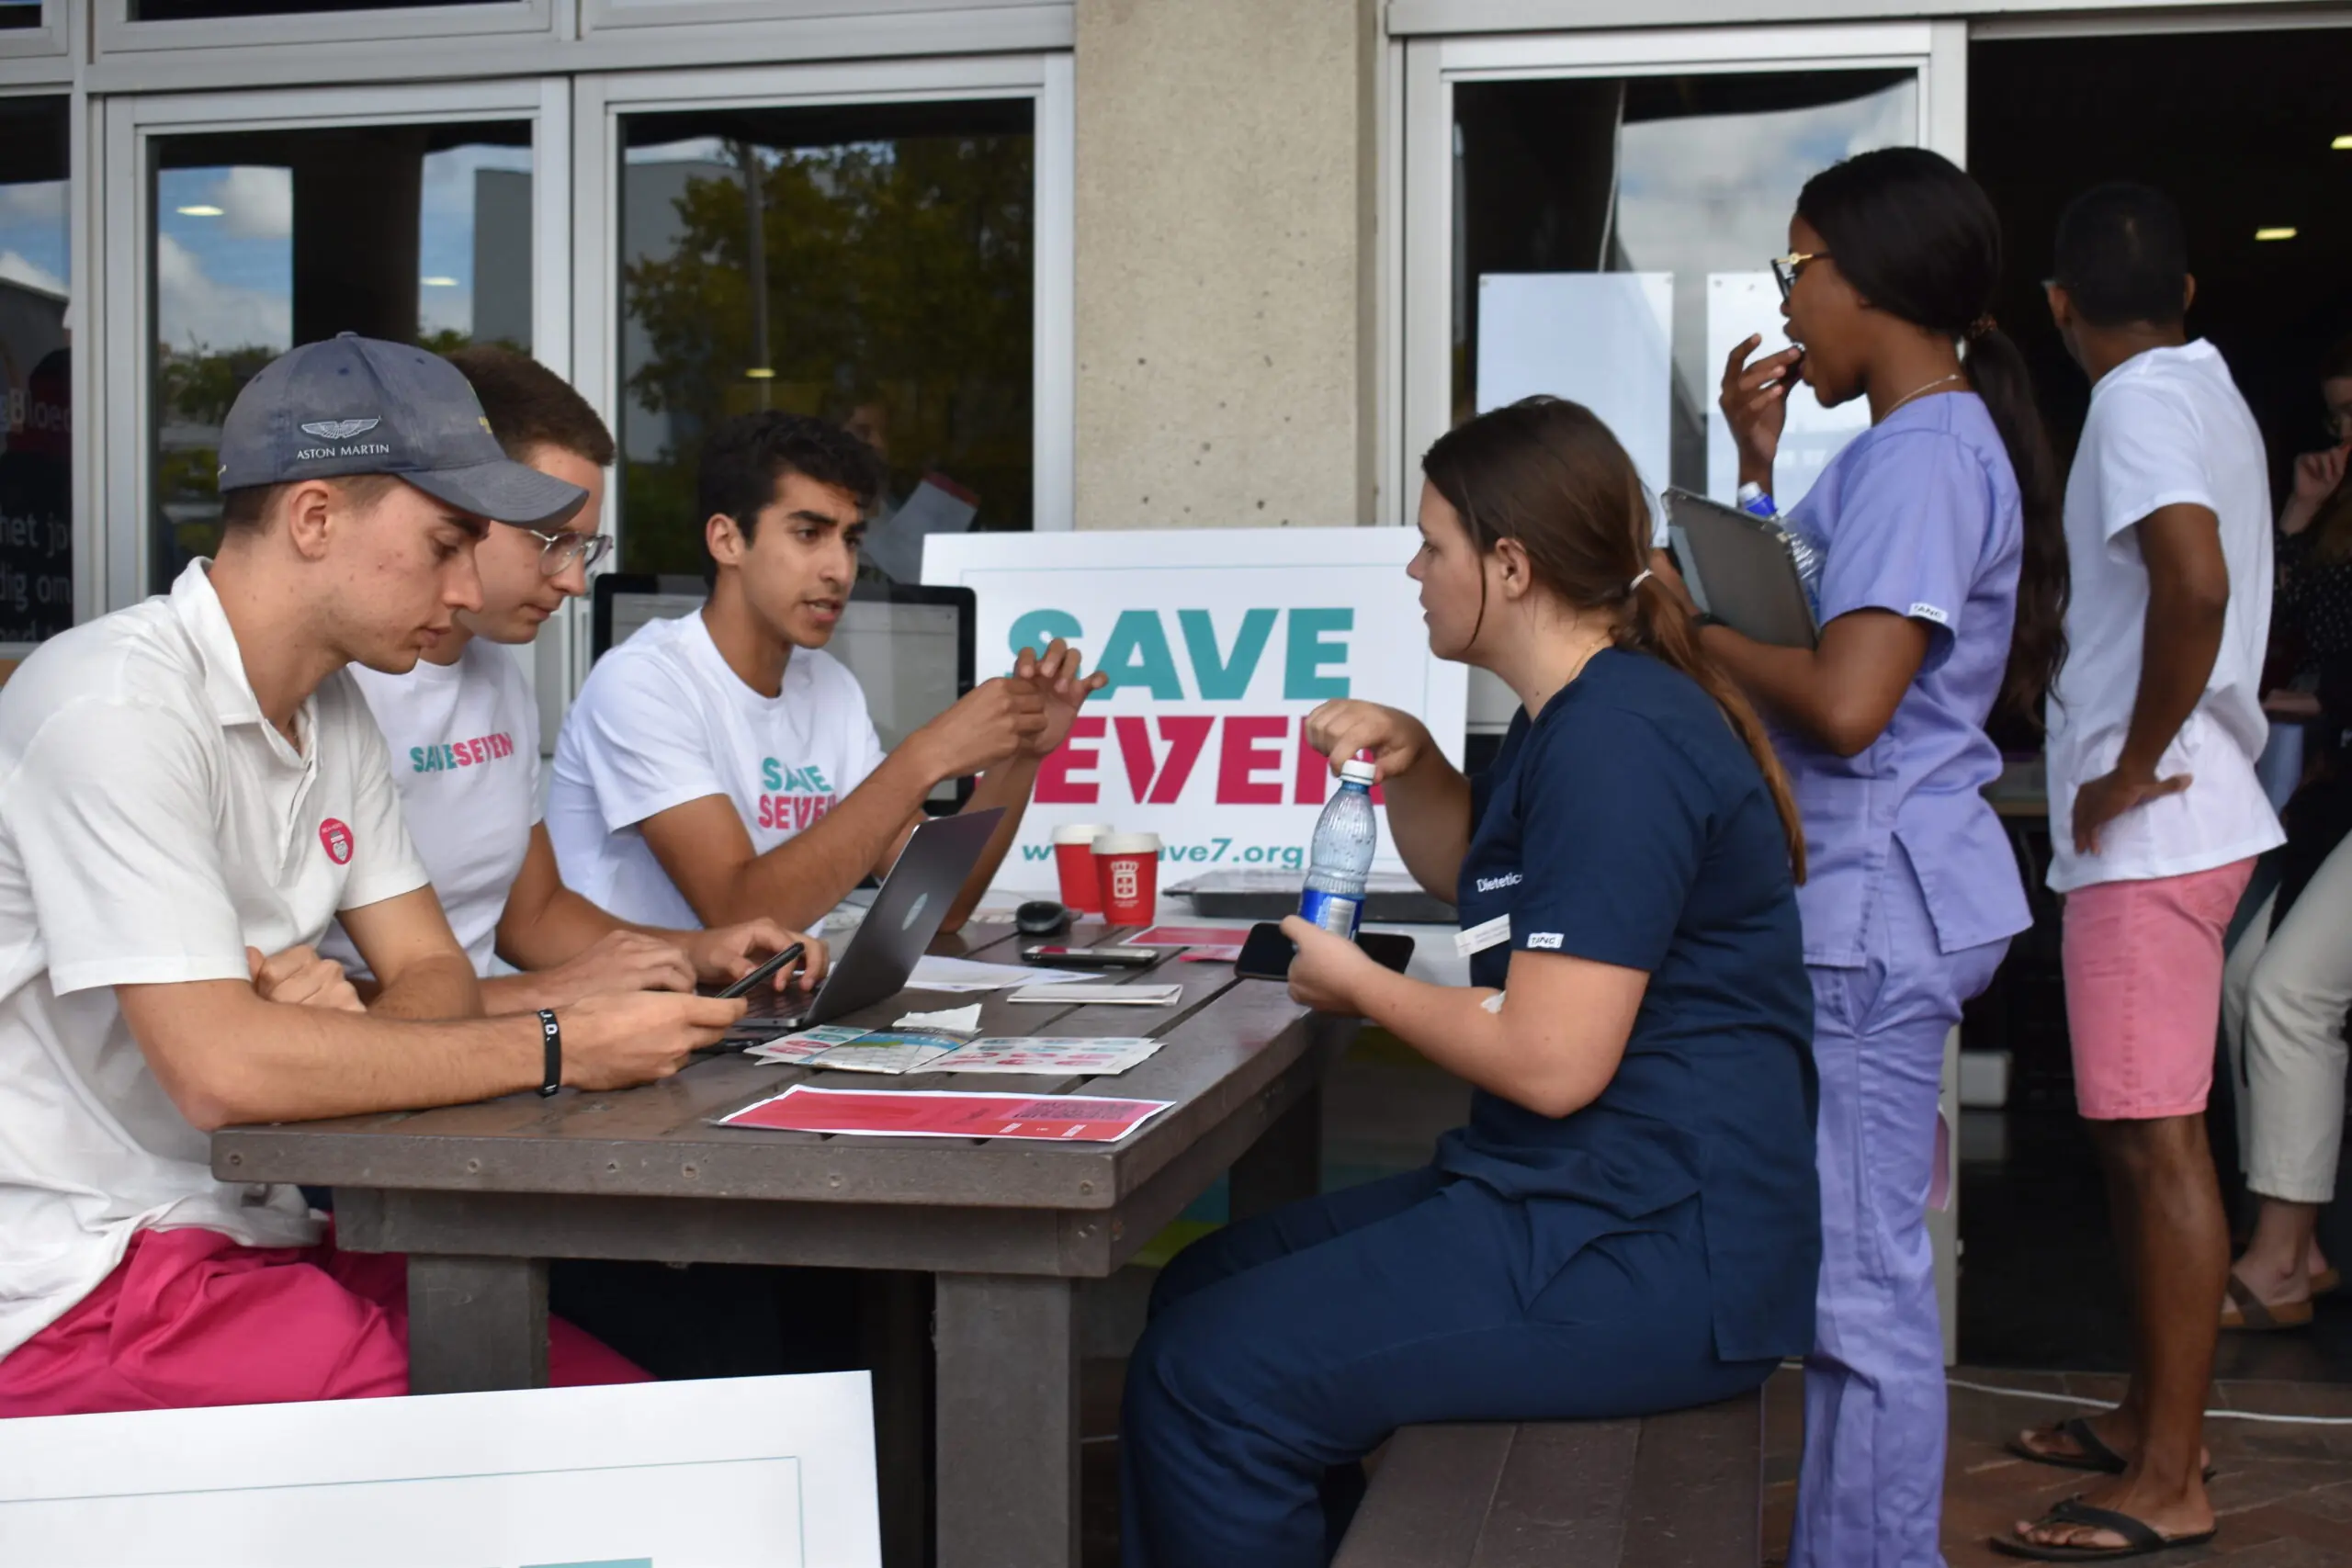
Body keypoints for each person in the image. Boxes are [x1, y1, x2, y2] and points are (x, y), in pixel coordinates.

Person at [1119, 397, 1820, 1567]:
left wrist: (1356, 983)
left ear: (1509, 563)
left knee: (1208, 1382)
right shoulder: (1577, 715)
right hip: (1581, 1197)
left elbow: (1551, 1062)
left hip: (1655, 1251)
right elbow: (1489, 888)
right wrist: (1417, 760)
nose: (1413, 567)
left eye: (1433, 544)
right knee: (1203, 1287)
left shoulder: (1620, 742)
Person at [0, 335, 742, 1416]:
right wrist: (557, 1044)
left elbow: (433, 973)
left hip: (250, 1230)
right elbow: (222, 1075)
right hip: (80, 1281)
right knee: (592, 1448)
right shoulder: (110, 704)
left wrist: (325, 1026)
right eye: (446, 543)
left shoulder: (335, 703)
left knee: (646, 1412)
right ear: (314, 519)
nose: (464, 585)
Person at [1699, 146, 2066, 1568]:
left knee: (1861, 1293)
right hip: (1878, 893)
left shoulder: (1922, 452)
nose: (1788, 305)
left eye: (1799, 270)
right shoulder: (1911, 443)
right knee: (1857, 1277)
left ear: (1877, 279)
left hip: (1872, 902)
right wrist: (1751, 468)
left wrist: (1699, 631)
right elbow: (1813, 611)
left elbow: (1846, 700)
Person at [2006, 182, 2281, 1559]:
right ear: (2189, 292)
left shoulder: (2130, 405)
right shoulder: (2209, 387)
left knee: (2158, 1139)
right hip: (2189, 821)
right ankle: (2144, 1418)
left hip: (2155, 829)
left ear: (2059, 308)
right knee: (2137, 1131)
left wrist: (2128, 760)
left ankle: (2171, 1475)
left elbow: (2197, 581)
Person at [317, 346, 826, 1012]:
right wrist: (546, 997)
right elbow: (301, 998)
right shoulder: (331, 683)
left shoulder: (497, 673)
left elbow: (533, 916)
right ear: (467, 510)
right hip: (398, 1055)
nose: (573, 579)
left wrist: (701, 951)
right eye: (550, 539)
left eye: (584, 546)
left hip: (477, 1040)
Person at [546, 410, 1098, 935]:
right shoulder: (642, 682)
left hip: (756, 1018)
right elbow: (740, 916)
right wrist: (928, 755)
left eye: (851, 540)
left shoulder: (829, 683)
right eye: (809, 534)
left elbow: (935, 907)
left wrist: (1021, 759)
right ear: (727, 540)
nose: (840, 569)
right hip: (625, 1019)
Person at [2212, 335, 2352, 1330]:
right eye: (2340, 420)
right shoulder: (2337, 526)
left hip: (2331, 788)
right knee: (2238, 978)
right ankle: (2294, 1245)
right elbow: (2264, 639)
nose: (2345, 440)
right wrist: (2301, 512)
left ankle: (2276, 1258)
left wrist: (2306, 703)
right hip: (2332, 797)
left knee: (2288, 989)